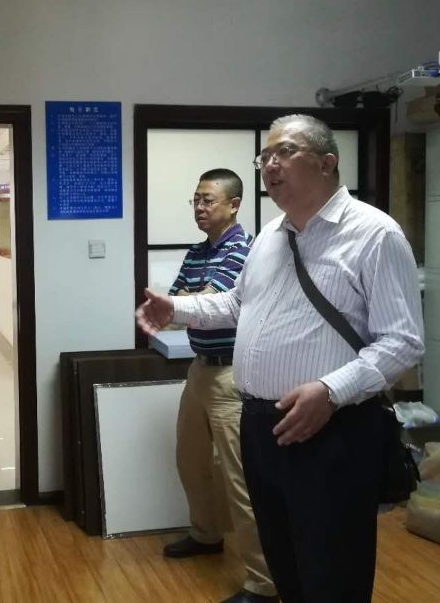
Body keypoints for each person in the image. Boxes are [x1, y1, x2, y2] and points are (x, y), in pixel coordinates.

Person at [137, 114, 424, 603]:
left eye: (285, 152)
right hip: (259, 423)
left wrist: (330, 391)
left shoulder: (374, 234)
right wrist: (177, 310)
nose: (270, 164)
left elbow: (402, 341)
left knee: (332, 569)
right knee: (285, 563)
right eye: (264, 156)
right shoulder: (271, 235)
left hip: (331, 428)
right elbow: (237, 304)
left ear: (327, 163)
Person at [160, 169, 276, 603]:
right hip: (199, 370)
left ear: (234, 204)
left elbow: (206, 304)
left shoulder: (246, 250)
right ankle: (206, 534)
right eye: (195, 200)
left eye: (208, 200)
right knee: (190, 460)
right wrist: (185, 305)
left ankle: (264, 581)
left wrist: (185, 305)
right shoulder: (196, 252)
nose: (199, 208)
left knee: (240, 478)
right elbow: (177, 303)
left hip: (232, 375)